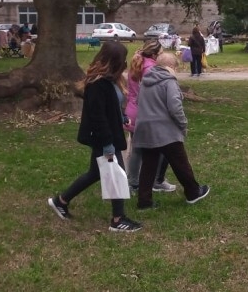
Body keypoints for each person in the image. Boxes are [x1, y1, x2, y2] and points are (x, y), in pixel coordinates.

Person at [47, 41, 143, 233]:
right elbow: (98, 117)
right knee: (117, 174)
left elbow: (112, 106)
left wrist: (122, 116)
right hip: (104, 138)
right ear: (113, 61)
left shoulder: (110, 80)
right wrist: (108, 145)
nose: (125, 63)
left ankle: (61, 201)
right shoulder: (98, 84)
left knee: (95, 173)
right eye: (122, 59)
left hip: (110, 134)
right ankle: (117, 220)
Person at [134, 52, 210, 210]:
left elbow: (138, 102)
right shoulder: (169, 82)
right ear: (171, 66)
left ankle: (144, 201)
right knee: (180, 162)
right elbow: (175, 107)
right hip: (166, 130)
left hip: (146, 129)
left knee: (148, 166)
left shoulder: (145, 81)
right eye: (176, 66)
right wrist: (183, 125)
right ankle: (193, 192)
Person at [125, 41, 177, 194]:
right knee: (159, 146)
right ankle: (155, 180)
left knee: (137, 149)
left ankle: (133, 182)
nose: (163, 55)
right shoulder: (151, 69)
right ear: (154, 55)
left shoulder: (138, 63)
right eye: (161, 53)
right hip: (144, 112)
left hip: (133, 111)